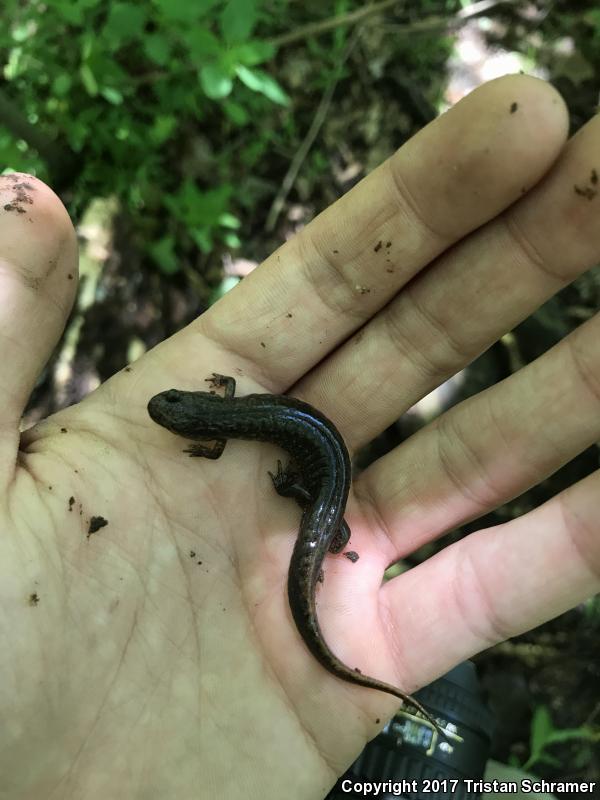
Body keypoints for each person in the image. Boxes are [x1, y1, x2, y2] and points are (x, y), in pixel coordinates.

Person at [0, 74, 598, 799]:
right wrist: (292, 485)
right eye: (178, 411)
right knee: (320, 525)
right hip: (324, 479)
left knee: (315, 520)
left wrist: (287, 485)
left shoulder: (218, 427)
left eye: (180, 412)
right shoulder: (221, 409)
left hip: (323, 484)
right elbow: (227, 423)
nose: (180, 411)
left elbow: (224, 441)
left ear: (193, 408)